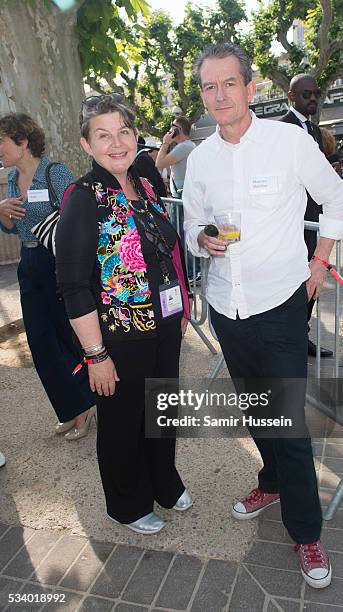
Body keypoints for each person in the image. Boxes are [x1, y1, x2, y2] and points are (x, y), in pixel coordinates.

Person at [183, 43, 343, 588]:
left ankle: (306, 533)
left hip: (280, 305)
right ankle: (271, 480)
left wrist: (319, 263)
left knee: (290, 424)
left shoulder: (288, 141)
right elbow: (193, 224)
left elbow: (337, 197)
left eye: (229, 83)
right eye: (209, 86)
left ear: (250, 88)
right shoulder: (201, 157)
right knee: (258, 413)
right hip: (228, 308)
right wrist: (203, 238)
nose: (219, 95)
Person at [56, 94, 193, 534]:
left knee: (162, 411)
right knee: (122, 421)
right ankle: (128, 503)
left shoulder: (146, 184)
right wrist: (96, 355)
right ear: (86, 144)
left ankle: (164, 482)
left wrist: (183, 305)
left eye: (124, 132)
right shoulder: (83, 197)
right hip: (118, 334)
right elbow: (73, 285)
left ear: (135, 136)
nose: (116, 143)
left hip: (165, 325)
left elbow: (165, 252)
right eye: (103, 135)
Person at [0, 113, 95, 440]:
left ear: (22, 141)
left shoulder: (55, 173)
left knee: (65, 339)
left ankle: (84, 406)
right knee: (40, 343)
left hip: (58, 261)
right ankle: (69, 407)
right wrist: (2, 212)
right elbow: (11, 227)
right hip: (28, 263)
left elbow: (78, 218)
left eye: (1, 141)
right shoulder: (12, 179)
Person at [280, 75, 333, 358]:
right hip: (290, 221)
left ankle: (302, 335)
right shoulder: (280, 129)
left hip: (313, 218)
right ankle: (291, 338)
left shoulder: (313, 130)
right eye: (306, 94)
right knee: (291, 280)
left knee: (312, 277)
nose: (312, 98)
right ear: (291, 95)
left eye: (316, 93)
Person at [156, 116, 199, 281]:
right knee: (181, 233)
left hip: (181, 196)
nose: (169, 131)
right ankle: (191, 271)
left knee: (181, 233)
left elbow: (159, 163)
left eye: (172, 128)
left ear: (178, 130)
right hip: (180, 194)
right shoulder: (185, 147)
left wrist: (166, 142)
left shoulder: (185, 147)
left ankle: (192, 271)